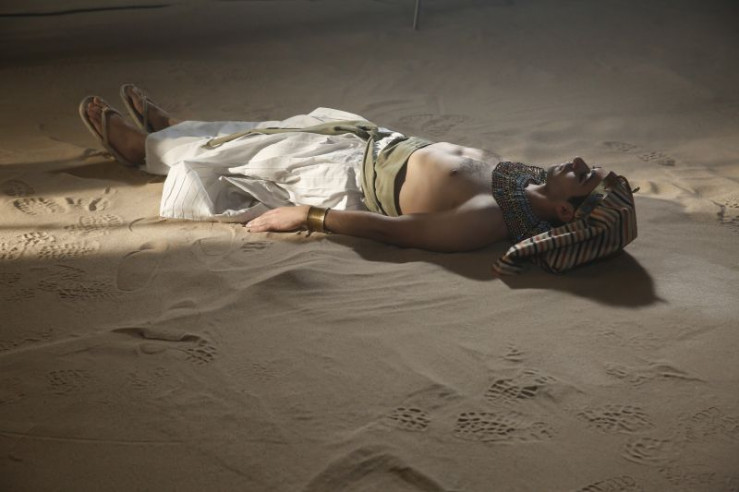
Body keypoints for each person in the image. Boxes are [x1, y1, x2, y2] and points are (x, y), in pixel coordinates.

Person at [78, 85, 613, 256]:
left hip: (350, 177)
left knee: (248, 156)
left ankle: (142, 150)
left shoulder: (492, 219)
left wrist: (307, 215)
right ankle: (174, 130)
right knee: (266, 130)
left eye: (584, 177)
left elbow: (400, 231)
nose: (579, 163)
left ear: (565, 211)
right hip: (375, 142)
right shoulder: (526, 179)